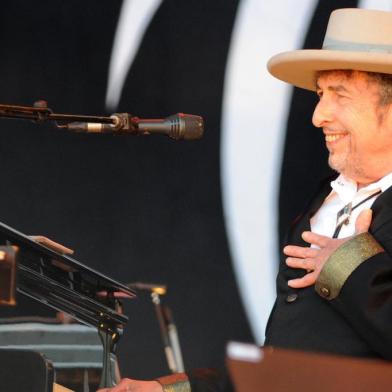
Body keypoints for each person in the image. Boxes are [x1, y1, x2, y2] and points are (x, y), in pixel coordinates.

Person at [98, 8, 392, 392]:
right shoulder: (325, 201)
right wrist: (171, 390)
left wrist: (350, 265)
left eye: (340, 94)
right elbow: (283, 369)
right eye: (321, 94)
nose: (319, 115)